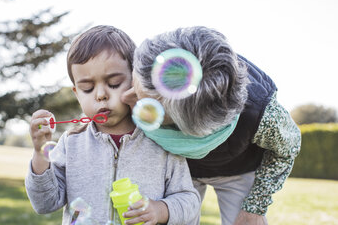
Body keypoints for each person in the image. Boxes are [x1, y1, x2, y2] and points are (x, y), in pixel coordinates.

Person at [121, 26, 302, 225]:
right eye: (135, 87)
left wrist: (255, 207)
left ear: (189, 125)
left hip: (237, 170)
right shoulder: (150, 72)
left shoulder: (261, 112)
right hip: (181, 170)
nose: (124, 98)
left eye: (145, 103)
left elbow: (287, 148)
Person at [25, 25, 201, 225]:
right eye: (87, 88)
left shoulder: (161, 142)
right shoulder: (71, 143)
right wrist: (40, 153)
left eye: (114, 83)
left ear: (135, 81)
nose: (100, 95)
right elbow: (44, 203)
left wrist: (160, 210)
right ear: (76, 93)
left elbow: (190, 201)